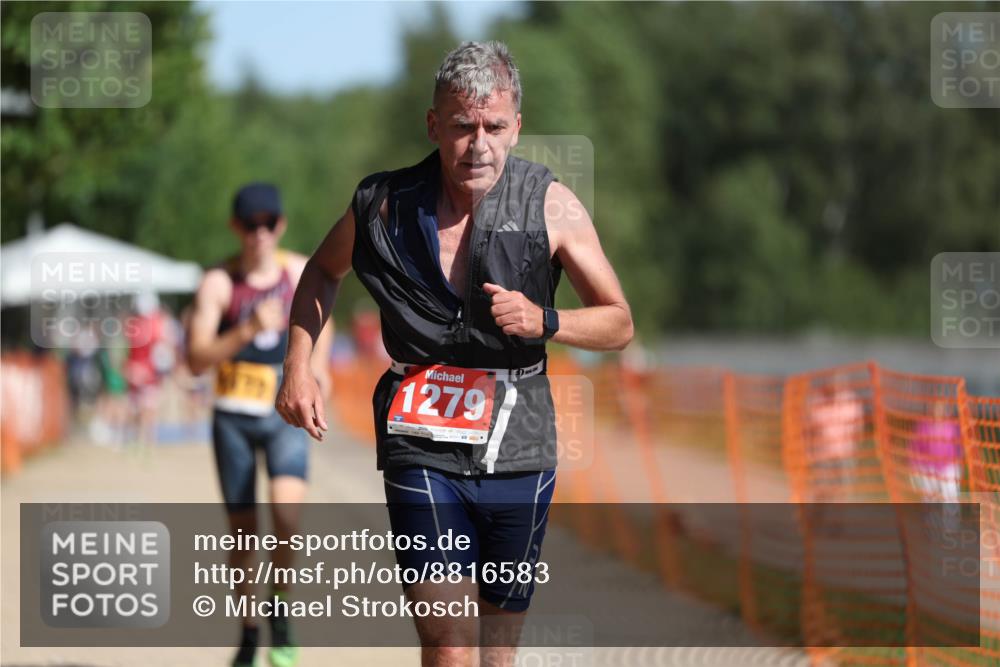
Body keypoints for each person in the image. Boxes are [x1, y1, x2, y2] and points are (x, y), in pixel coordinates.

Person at [277, 41, 633, 666]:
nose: (480, 144)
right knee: (448, 641)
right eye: (463, 126)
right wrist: (297, 366)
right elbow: (321, 273)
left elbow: (619, 322)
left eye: (495, 126)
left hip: (520, 441)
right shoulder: (382, 206)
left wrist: (544, 319)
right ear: (434, 124)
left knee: (497, 647)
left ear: (517, 127)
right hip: (421, 441)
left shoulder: (552, 206)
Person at [186, 183, 333, 667]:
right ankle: (250, 630)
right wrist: (247, 329)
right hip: (233, 418)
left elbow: (322, 319)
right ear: (237, 228)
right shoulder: (219, 284)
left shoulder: (298, 272)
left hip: (282, 414)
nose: (260, 234)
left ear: (281, 225)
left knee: (287, 524)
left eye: (269, 223)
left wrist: (319, 371)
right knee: (245, 537)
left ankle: (281, 609)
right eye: (251, 225)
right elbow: (195, 359)